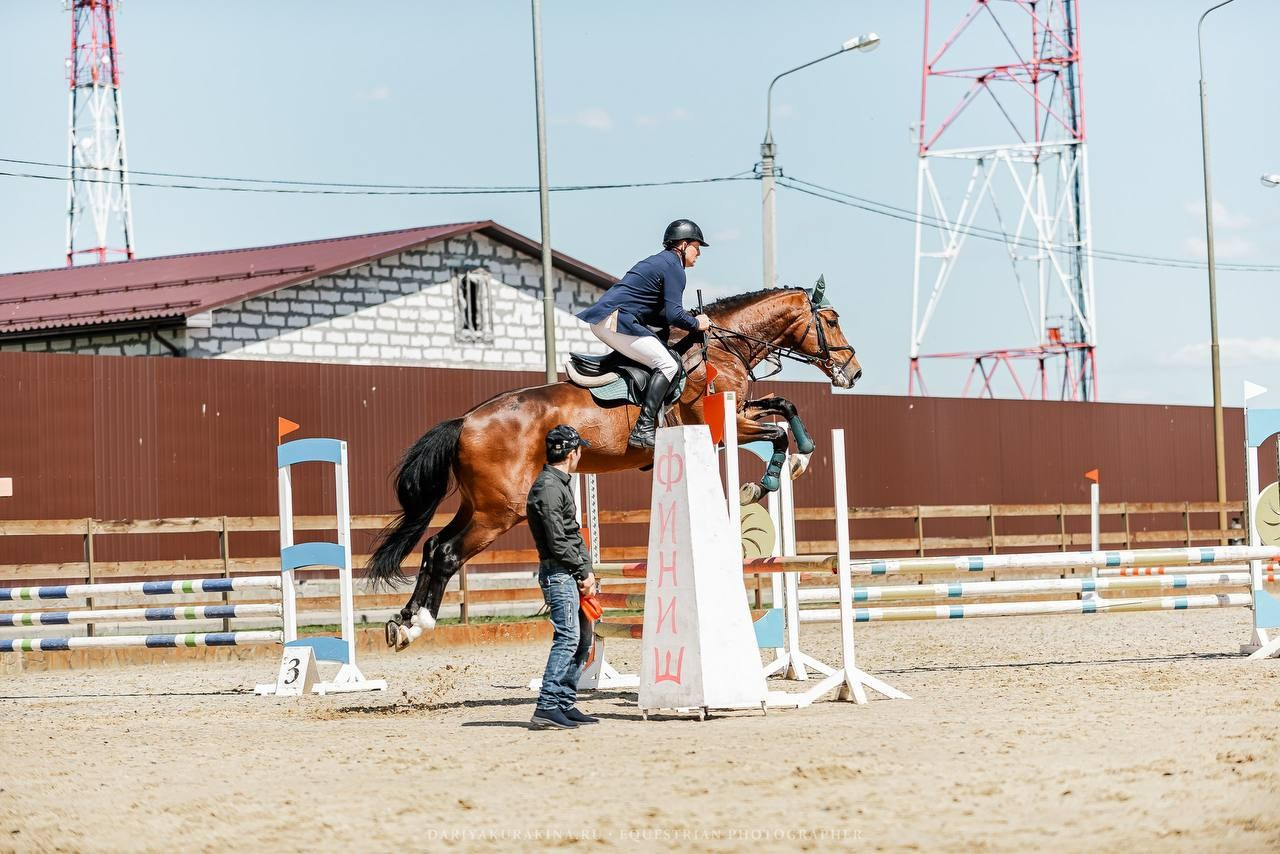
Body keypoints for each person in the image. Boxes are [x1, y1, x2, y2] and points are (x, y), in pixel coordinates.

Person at [577, 219, 713, 450]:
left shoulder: (663, 262)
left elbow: (661, 314)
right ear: (682, 244)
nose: (699, 253)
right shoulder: (674, 268)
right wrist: (697, 323)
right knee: (668, 365)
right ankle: (643, 428)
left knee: (660, 356)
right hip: (616, 321)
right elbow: (674, 314)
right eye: (696, 247)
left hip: (611, 319)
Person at [526, 424, 599, 730]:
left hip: (568, 571)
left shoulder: (555, 483)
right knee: (568, 637)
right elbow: (559, 540)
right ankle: (546, 706)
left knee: (582, 638)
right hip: (560, 573)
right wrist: (583, 571)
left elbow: (569, 534)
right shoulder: (549, 487)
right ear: (572, 453)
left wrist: (587, 570)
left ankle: (564, 702)